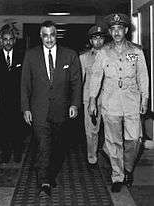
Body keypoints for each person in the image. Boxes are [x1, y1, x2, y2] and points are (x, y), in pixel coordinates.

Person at [89, 13, 149, 193]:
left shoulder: (136, 51)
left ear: (126, 30)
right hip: (111, 102)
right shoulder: (103, 52)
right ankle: (118, 175)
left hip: (132, 101)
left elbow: (143, 76)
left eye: (119, 29)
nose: (116, 32)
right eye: (113, 29)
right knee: (113, 141)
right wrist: (92, 100)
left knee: (134, 139)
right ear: (110, 31)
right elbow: (96, 77)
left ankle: (127, 168)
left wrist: (145, 98)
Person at [21, 20, 82, 196]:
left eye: (52, 34)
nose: (49, 39)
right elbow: (25, 84)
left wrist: (75, 104)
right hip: (38, 109)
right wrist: (25, 108)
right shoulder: (30, 55)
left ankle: (49, 171)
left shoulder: (69, 55)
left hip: (61, 109)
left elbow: (76, 83)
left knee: (57, 146)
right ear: (40, 36)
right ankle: (44, 180)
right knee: (43, 144)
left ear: (57, 35)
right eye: (45, 35)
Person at [0, 23, 25, 168]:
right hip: (1, 100)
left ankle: (17, 152)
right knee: (3, 128)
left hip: (18, 99)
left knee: (18, 127)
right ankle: (5, 152)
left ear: (14, 40)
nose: (8, 42)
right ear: (1, 41)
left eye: (11, 39)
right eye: (5, 39)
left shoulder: (22, 56)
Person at [79, 24, 106, 166]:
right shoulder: (83, 58)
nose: (98, 41)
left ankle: (107, 150)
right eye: (95, 39)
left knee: (110, 130)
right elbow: (80, 81)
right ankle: (92, 154)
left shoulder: (110, 56)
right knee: (91, 130)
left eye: (101, 38)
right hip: (89, 99)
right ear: (91, 41)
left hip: (109, 99)